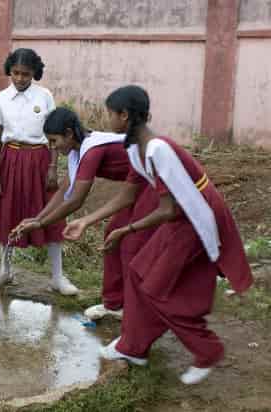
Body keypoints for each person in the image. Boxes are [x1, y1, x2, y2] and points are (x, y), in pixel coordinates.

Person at [63, 85, 253, 384]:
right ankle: (133, 347)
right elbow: (128, 195)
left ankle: (208, 351)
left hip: (195, 217)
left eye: (110, 114)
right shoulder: (135, 149)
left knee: (158, 288)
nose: (107, 119)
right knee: (138, 273)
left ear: (124, 116)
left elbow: (168, 209)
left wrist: (126, 229)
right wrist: (86, 221)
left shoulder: (157, 150)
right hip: (180, 218)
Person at [11, 107, 158, 320]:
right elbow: (65, 190)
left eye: (54, 141)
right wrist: (37, 218)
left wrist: (41, 224)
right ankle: (114, 304)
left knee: (129, 244)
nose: (52, 147)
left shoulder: (92, 151)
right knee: (112, 236)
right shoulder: (77, 151)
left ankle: (137, 310)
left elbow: (76, 200)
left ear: (69, 134)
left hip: (153, 186)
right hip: (136, 188)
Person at [0, 48, 77, 295]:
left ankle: (57, 277)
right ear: (10, 71)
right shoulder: (0, 99)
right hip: (10, 160)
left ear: (35, 73)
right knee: (8, 213)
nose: (19, 78)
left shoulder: (44, 96)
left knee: (52, 215)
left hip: (39, 160)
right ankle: (5, 270)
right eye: (15, 73)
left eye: (25, 74)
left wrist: (52, 167)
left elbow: (54, 133)